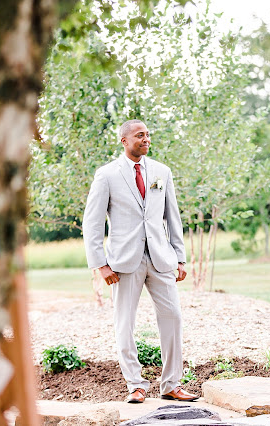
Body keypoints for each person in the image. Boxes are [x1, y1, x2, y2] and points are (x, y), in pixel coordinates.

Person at [82, 119, 197, 403]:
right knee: (125, 323)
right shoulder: (107, 175)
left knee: (173, 317)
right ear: (124, 140)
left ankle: (171, 384)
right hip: (122, 262)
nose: (146, 139)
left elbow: (173, 217)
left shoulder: (162, 172)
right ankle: (136, 384)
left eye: (147, 135)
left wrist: (180, 257)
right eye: (139, 135)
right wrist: (100, 265)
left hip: (161, 258)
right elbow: (92, 223)